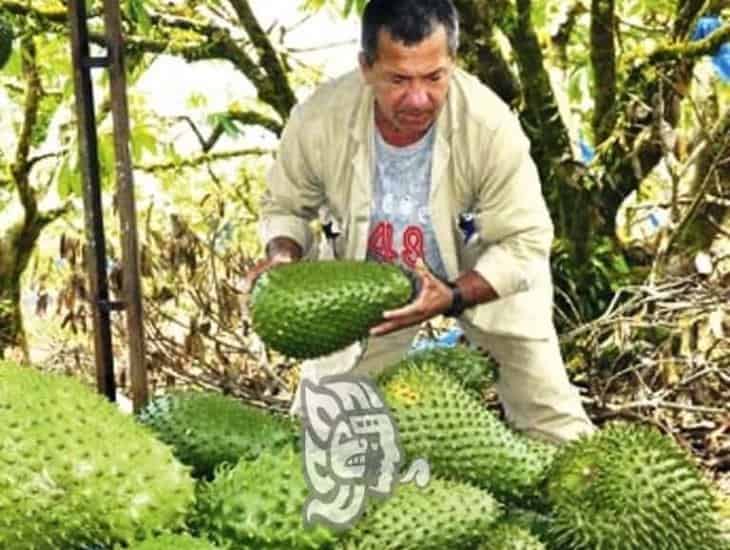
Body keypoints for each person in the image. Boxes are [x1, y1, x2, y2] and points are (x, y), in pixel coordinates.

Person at [246, 0, 595, 444]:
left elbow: (524, 243)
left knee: (554, 422)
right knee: (316, 433)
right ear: (366, 67)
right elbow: (285, 206)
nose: (417, 98)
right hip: (371, 281)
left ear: (452, 62)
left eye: (434, 77)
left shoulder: (489, 125)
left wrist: (451, 295)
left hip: (480, 270)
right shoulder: (319, 119)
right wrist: (283, 254)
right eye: (398, 79)